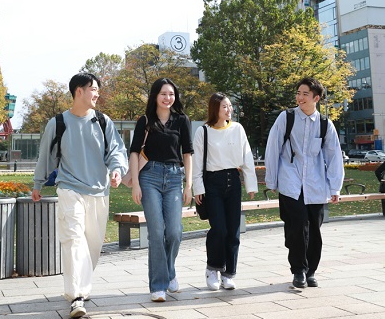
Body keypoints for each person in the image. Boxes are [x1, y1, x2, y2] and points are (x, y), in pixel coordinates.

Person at [32, 73, 128, 318]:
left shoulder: (102, 121)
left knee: (92, 247)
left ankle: (81, 287)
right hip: (69, 188)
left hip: (98, 191)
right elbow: (46, 155)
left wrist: (116, 170)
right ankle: (76, 296)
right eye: (93, 89)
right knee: (74, 239)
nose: (97, 94)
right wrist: (37, 184)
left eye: (97, 89)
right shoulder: (58, 123)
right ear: (78, 91)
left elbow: (116, 150)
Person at [264, 77, 344, 289]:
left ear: (316, 98)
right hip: (291, 183)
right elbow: (273, 148)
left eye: (305, 94)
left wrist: (335, 187)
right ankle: (298, 270)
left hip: (316, 186)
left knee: (314, 231)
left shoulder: (326, 125)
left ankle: (311, 271)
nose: (299, 98)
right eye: (298, 93)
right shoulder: (286, 118)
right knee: (297, 227)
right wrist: (271, 179)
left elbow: (334, 156)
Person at [129, 77, 193, 302]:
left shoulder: (182, 120)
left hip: (175, 178)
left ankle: (170, 271)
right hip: (150, 178)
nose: (168, 98)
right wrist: (135, 183)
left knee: (174, 232)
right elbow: (135, 152)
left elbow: (187, 154)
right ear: (155, 96)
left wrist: (189, 185)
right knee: (156, 233)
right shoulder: (145, 121)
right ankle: (158, 285)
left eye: (171, 94)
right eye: (164, 94)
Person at [192, 92, 258, 291]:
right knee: (219, 229)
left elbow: (247, 156)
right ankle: (212, 268)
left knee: (233, 231)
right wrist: (198, 188)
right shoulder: (203, 132)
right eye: (225, 107)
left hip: (233, 181)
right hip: (212, 183)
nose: (229, 110)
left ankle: (229, 274)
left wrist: (251, 184)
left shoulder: (237, 129)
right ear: (215, 109)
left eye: (230, 106)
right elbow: (197, 164)